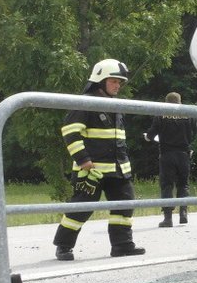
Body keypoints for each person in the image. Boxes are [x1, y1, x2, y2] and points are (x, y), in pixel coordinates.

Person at [53, 59, 145, 261]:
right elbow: (70, 132)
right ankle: (63, 246)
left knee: (124, 206)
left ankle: (122, 246)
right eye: (114, 81)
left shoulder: (114, 104)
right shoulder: (84, 103)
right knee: (81, 208)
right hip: (91, 170)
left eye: (120, 82)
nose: (118, 86)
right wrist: (84, 160)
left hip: (119, 169)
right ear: (100, 80)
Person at [144, 92, 197, 227]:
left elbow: (151, 134)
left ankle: (168, 218)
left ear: (166, 102)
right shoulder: (188, 113)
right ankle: (183, 213)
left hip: (167, 155)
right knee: (183, 184)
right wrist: (189, 145)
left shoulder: (161, 114)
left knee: (167, 185)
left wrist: (147, 137)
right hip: (184, 154)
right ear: (180, 102)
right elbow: (196, 132)